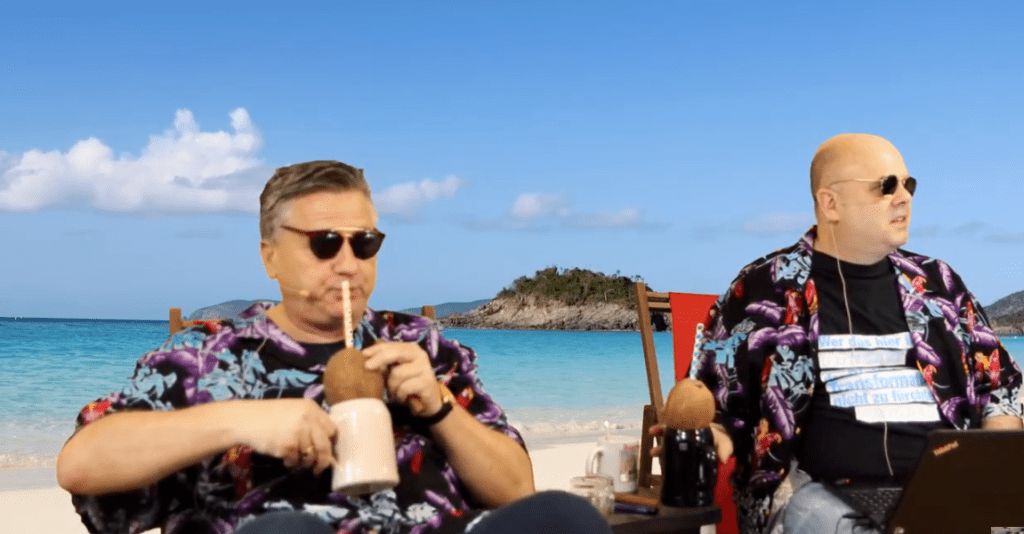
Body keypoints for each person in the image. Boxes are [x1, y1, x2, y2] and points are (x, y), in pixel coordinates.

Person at [57, 160, 613, 534]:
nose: (348, 264)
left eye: (364, 243)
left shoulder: (419, 346)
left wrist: (439, 408)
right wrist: (239, 420)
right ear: (270, 256)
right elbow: (81, 463)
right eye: (325, 244)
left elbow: (517, 489)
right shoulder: (208, 356)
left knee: (566, 517)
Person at [678, 134, 1023, 533]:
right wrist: (705, 435)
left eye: (908, 185)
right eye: (886, 186)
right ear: (830, 203)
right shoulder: (765, 289)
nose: (904, 198)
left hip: (943, 491)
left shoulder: (938, 285)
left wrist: (990, 469)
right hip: (816, 494)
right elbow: (713, 403)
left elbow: (1002, 387)